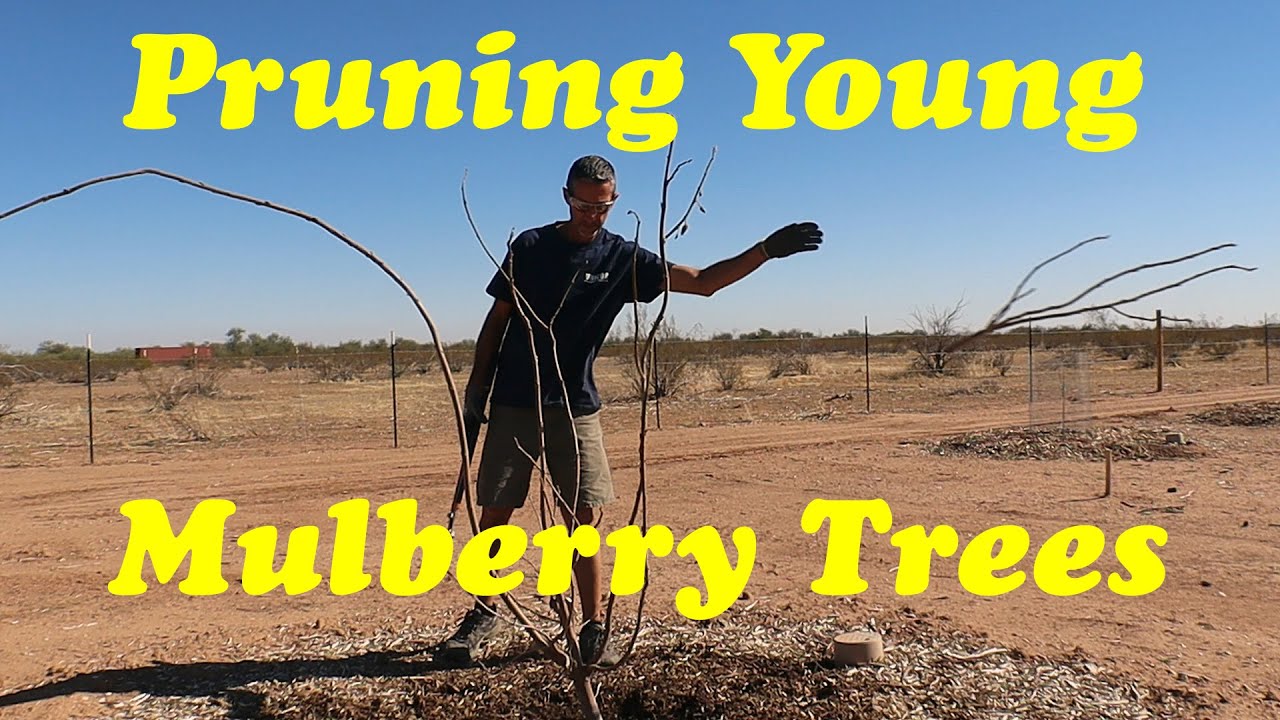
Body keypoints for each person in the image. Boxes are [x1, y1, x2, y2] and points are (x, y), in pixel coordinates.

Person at [439, 154, 822, 666]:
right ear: (565, 196)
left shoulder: (622, 259)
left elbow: (703, 280)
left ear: (613, 202)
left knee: (584, 519)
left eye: (602, 207)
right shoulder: (529, 248)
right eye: (583, 204)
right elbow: (494, 325)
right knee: (496, 514)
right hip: (513, 401)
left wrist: (765, 251)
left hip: (575, 408)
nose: (592, 215)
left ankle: (594, 626)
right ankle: (483, 612)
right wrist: (474, 397)